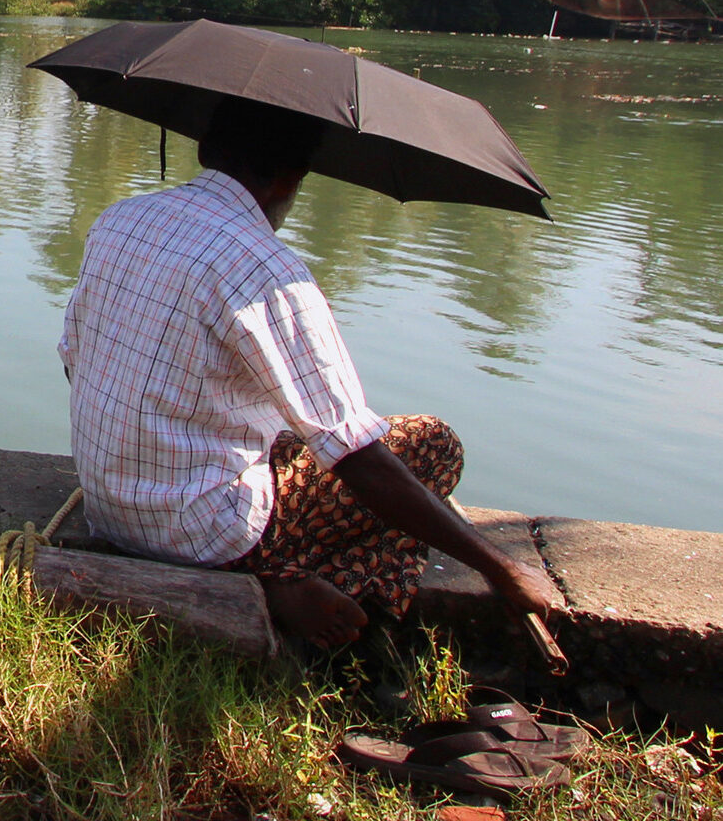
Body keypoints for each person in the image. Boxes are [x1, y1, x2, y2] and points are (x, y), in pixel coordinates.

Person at [59, 96, 564, 649]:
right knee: (432, 446)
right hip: (205, 535)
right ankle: (280, 585)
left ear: (205, 148)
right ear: (293, 176)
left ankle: (285, 582)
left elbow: (74, 360)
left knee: (284, 430)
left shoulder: (118, 221)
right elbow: (357, 457)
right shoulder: (265, 266)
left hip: (107, 510)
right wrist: (501, 569)